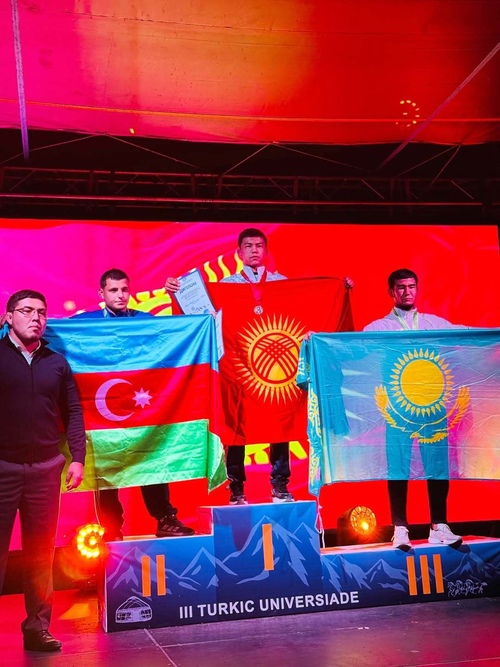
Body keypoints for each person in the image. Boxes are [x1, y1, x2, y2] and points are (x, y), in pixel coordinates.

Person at [166, 228, 353, 506]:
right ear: (239, 253)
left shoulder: (282, 284)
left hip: (275, 370)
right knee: (236, 424)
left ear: (265, 251)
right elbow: (199, 317)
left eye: (259, 245)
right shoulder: (225, 286)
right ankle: (236, 488)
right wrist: (177, 292)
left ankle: (280, 485)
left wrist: (340, 288)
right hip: (238, 367)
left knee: (281, 419)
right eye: (248, 246)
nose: (254, 250)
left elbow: (308, 307)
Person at [73, 268, 194, 539]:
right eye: (113, 290)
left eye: (124, 290)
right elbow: (54, 332)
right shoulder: (87, 323)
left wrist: (179, 300)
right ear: (101, 293)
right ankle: (111, 527)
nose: (120, 295)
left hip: (142, 407)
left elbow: (177, 334)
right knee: (105, 466)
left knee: (151, 460)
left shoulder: (144, 321)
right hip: (103, 411)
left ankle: (165, 519)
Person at [0, 290, 86, 653]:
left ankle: (37, 628)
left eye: (41, 312)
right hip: (2, 469)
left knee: (40, 554)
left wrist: (77, 457)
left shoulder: (57, 363)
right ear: (8, 317)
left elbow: (74, 412)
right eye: (26, 311)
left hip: (46, 470)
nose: (35, 318)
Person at [364, 268, 463, 549]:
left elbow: (468, 335)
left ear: (417, 289)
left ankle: (439, 526)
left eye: (411, 286)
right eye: (401, 287)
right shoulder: (378, 328)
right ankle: (400, 528)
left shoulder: (433, 323)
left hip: (432, 406)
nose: (407, 292)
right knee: (398, 467)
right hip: (397, 409)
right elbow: (347, 345)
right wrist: (317, 339)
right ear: (391, 292)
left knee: (438, 467)